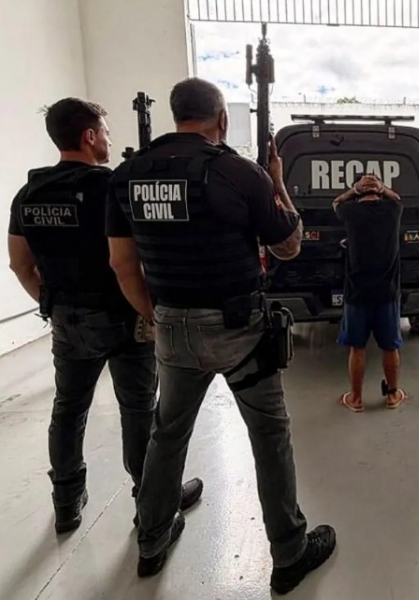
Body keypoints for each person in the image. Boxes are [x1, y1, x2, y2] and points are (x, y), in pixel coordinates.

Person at [106, 77, 335, 592]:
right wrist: (276, 182)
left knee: (167, 436)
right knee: (269, 436)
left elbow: (122, 263)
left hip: (171, 328)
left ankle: (151, 541)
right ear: (222, 119)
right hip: (239, 332)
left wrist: (159, 315)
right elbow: (289, 246)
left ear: (175, 115)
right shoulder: (239, 172)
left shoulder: (127, 176)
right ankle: (289, 554)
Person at [7, 98, 202, 534]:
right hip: (122, 317)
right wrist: (150, 309)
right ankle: (152, 502)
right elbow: (128, 260)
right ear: (89, 136)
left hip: (66, 320)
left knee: (68, 408)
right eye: (106, 133)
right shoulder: (111, 187)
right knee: (138, 409)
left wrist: (53, 306)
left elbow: (19, 264)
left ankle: (66, 504)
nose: (109, 141)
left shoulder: (29, 192)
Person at [333, 174, 406, 412]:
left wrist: (354, 190)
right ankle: (392, 396)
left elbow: (336, 202)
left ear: (358, 193)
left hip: (357, 293)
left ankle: (356, 399)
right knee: (390, 347)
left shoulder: (350, 211)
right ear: (379, 191)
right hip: (387, 293)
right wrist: (382, 187)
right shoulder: (392, 210)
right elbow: (397, 197)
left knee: (357, 348)